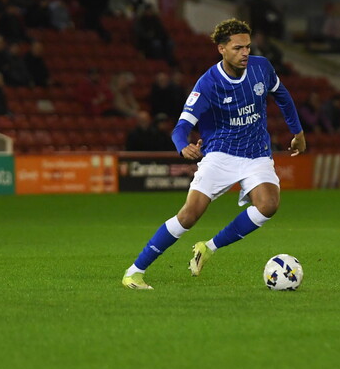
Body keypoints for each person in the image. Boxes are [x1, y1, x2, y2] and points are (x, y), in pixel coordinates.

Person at [121, 18, 306, 290]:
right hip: (220, 155)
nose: (245, 53)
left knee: (268, 205)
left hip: (256, 153)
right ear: (221, 49)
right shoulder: (208, 84)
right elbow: (181, 127)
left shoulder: (261, 68)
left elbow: (282, 95)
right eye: (238, 48)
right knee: (189, 215)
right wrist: (183, 146)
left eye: (247, 47)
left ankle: (208, 248)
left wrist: (298, 133)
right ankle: (134, 272)